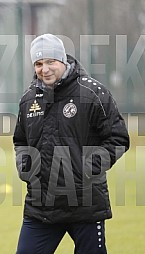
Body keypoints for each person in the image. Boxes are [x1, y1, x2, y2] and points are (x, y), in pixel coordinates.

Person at [13, 34, 129, 254]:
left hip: (85, 205)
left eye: (50, 62)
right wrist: (25, 166)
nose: (44, 69)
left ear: (63, 61)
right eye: (38, 63)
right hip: (41, 206)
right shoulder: (28, 99)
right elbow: (20, 140)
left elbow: (118, 138)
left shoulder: (93, 93)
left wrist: (87, 168)